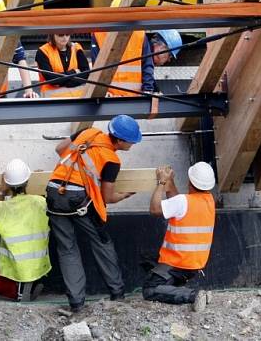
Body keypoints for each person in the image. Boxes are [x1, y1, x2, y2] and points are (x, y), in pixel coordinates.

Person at [45, 115, 141, 312]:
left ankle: (76, 304)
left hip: (54, 192)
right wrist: (124, 195)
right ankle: (117, 292)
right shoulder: (111, 160)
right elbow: (107, 197)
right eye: (131, 141)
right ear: (120, 140)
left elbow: (59, 150)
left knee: (67, 248)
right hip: (79, 200)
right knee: (102, 242)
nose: (132, 144)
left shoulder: (88, 133)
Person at [144, 162, 215, 312]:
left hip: (177, 263)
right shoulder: (209, 201)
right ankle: (174, 287)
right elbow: (177, 204)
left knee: (150, 289)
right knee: (147, 259)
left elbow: (155, 209)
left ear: (190, 181)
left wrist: (162, 182)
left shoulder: (183, 201)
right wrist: (170, 183)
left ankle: (193, 295)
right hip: (193, 265)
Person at [0, 159, 51, 301]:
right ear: (27, 182)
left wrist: (2, 190)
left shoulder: (2, 207)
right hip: (38, 263)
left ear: (7, 183)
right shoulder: (40, 202)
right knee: (26, 273)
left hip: (14, 265)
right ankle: (28, 285)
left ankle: (18, 290)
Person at [91, 0, 182, 95]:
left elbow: (96, 66)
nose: (168, 60)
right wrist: (148, 91)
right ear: (162, 48)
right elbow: (147, 67)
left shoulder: (98, 33)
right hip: (128, 98)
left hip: (113, 97)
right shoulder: (139, 34)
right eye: (170, 56)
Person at [35, 33, 90, 98]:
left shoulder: (76, 47)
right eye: (60, 34)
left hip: (78, 94)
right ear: (52, 34)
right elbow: (51, 79)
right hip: (53, 96)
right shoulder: (43, 51)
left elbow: (86, 73)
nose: (64, 37)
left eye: (67, 34)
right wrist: (74, 72)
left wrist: (68, 83)